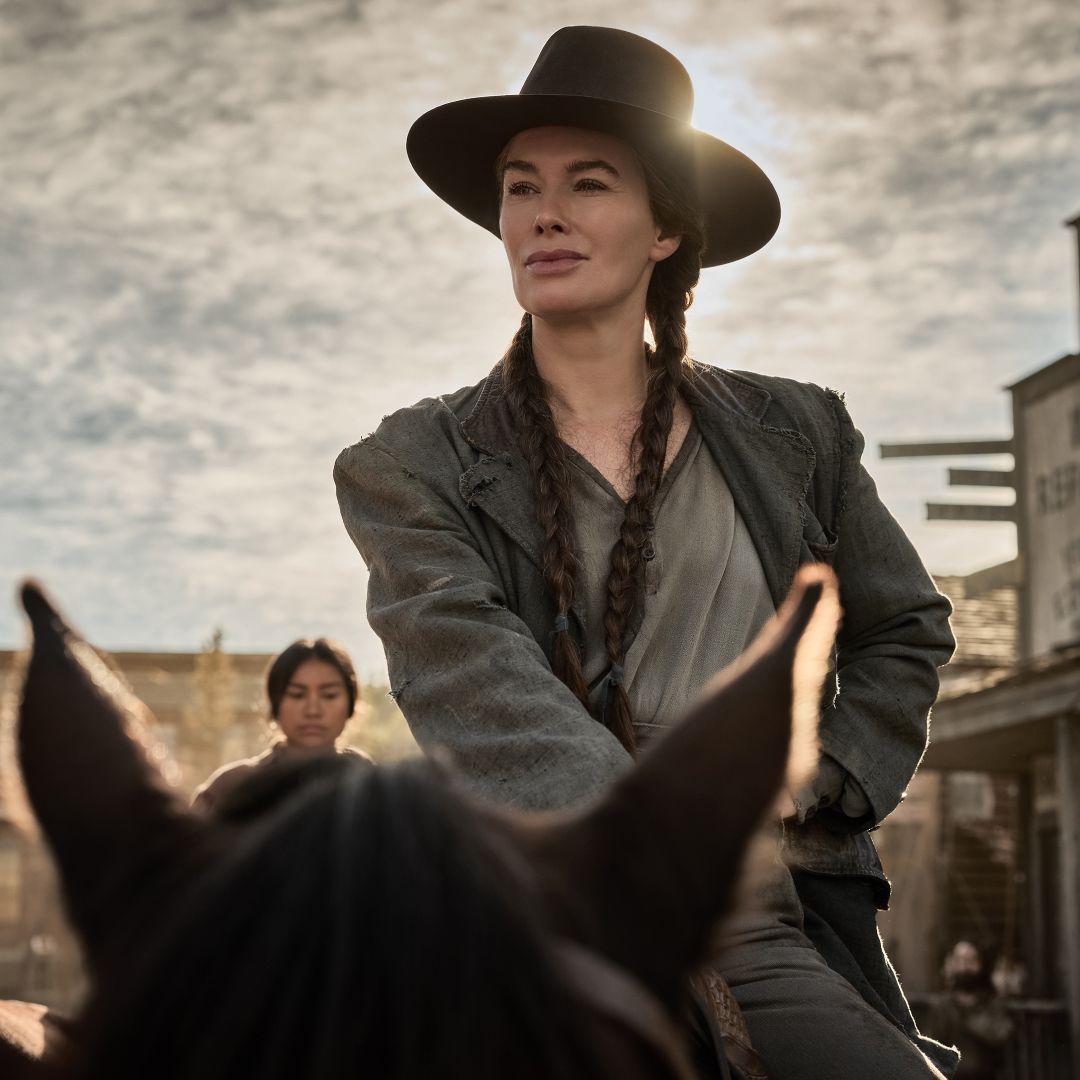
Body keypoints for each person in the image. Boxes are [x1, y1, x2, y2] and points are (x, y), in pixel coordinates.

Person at [335, 25, 957, 1080]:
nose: (545, 213)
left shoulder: (799, 435)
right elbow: (469, 672)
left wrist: (814, 779)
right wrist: (648, 827)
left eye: (589, 183)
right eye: (521, 187)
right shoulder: (409, 463)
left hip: (739, 914)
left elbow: (902, 630)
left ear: (666, 226)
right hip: (521, 897)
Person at [193, 637, 373, 814]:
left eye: (329, 695)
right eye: (297, 694)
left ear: (351, 703)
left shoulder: (367, 780)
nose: (313, 710)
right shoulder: (231, 787)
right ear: (275, 703)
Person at [928, 942, 1015, 1080]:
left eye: (970, 961)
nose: (964, 968)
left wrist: (969, 1010)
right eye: (959, 961)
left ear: (981, 964)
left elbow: (999, 1035)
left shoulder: (992, 1003)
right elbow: (933, 1049)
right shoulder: (943, 1006)